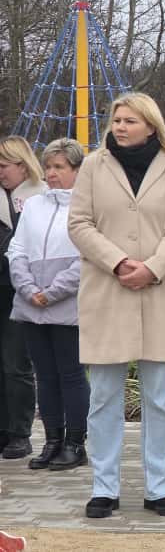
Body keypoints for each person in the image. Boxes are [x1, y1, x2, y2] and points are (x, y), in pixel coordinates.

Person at [68, 92, 165, 518]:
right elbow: (79, 223)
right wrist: (119, 262)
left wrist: (154, 267)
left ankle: (159, 487)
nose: (119, 127)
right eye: (117, 120)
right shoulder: (92, 165)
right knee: (104, 397)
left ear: (151, 126)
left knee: (159, 399)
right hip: (107, 291)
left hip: (158, 292)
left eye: (129, 121)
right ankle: (105, 486)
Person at [7, 138, 86, 470]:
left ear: (77, 170)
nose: (52, 174)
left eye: (60, 168)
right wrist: (27, 287)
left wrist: (52, 292)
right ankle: (52, 439)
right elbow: (17, 249)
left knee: (70, 374)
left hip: (67, 304)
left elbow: (87, 257)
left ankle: (75, 443)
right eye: (49, 167)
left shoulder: (87, 207)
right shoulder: (34, 205)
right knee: (45, 375)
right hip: (31, 304)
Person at [0, 136, 46, 461]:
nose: (0, 173)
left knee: (16, 364)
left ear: (21, 165)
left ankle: (20, 432)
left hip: (24, 291)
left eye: (3, 166)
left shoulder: (40, 198)